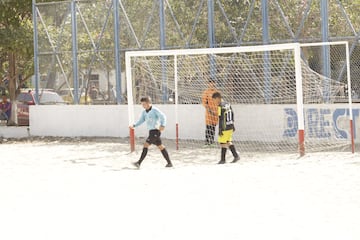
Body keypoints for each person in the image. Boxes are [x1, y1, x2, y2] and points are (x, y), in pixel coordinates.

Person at [130, 96, 173, 168]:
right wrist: (135, 125)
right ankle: (169, 163)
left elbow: (163, 116)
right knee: (161, 147)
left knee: (146, 145)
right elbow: (141, 120)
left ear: (148, 103)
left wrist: (163, 125)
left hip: (156, 131)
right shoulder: (144, 112)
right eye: (142, 104)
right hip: (151, 132)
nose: (143, 106)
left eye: (144, 104)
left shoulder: (154, 110)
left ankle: (139, 163)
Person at [212, 92, 240, 164]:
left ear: (217, 98)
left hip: (225, 127)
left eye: (214, 100)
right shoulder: (228, 104)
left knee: (222, 143)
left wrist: (220, 129)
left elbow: (221, 118)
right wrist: (233, 124)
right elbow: (232, 114)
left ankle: (223, 160)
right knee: (228, 141)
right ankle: (236, 156)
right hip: (230, 125)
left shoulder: (220, 106)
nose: (214, 102)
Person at [201, 80, 218, 146]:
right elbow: (204, 103)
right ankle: (207, 142)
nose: (212, 84)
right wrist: (210, 111)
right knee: (208, 127)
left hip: (215, 114)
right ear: (208, 84)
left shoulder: (217, 92)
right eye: (210, 83)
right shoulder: (206, 92)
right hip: (209, 114)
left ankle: (212, 142)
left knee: (213, 128)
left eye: (213, 83)